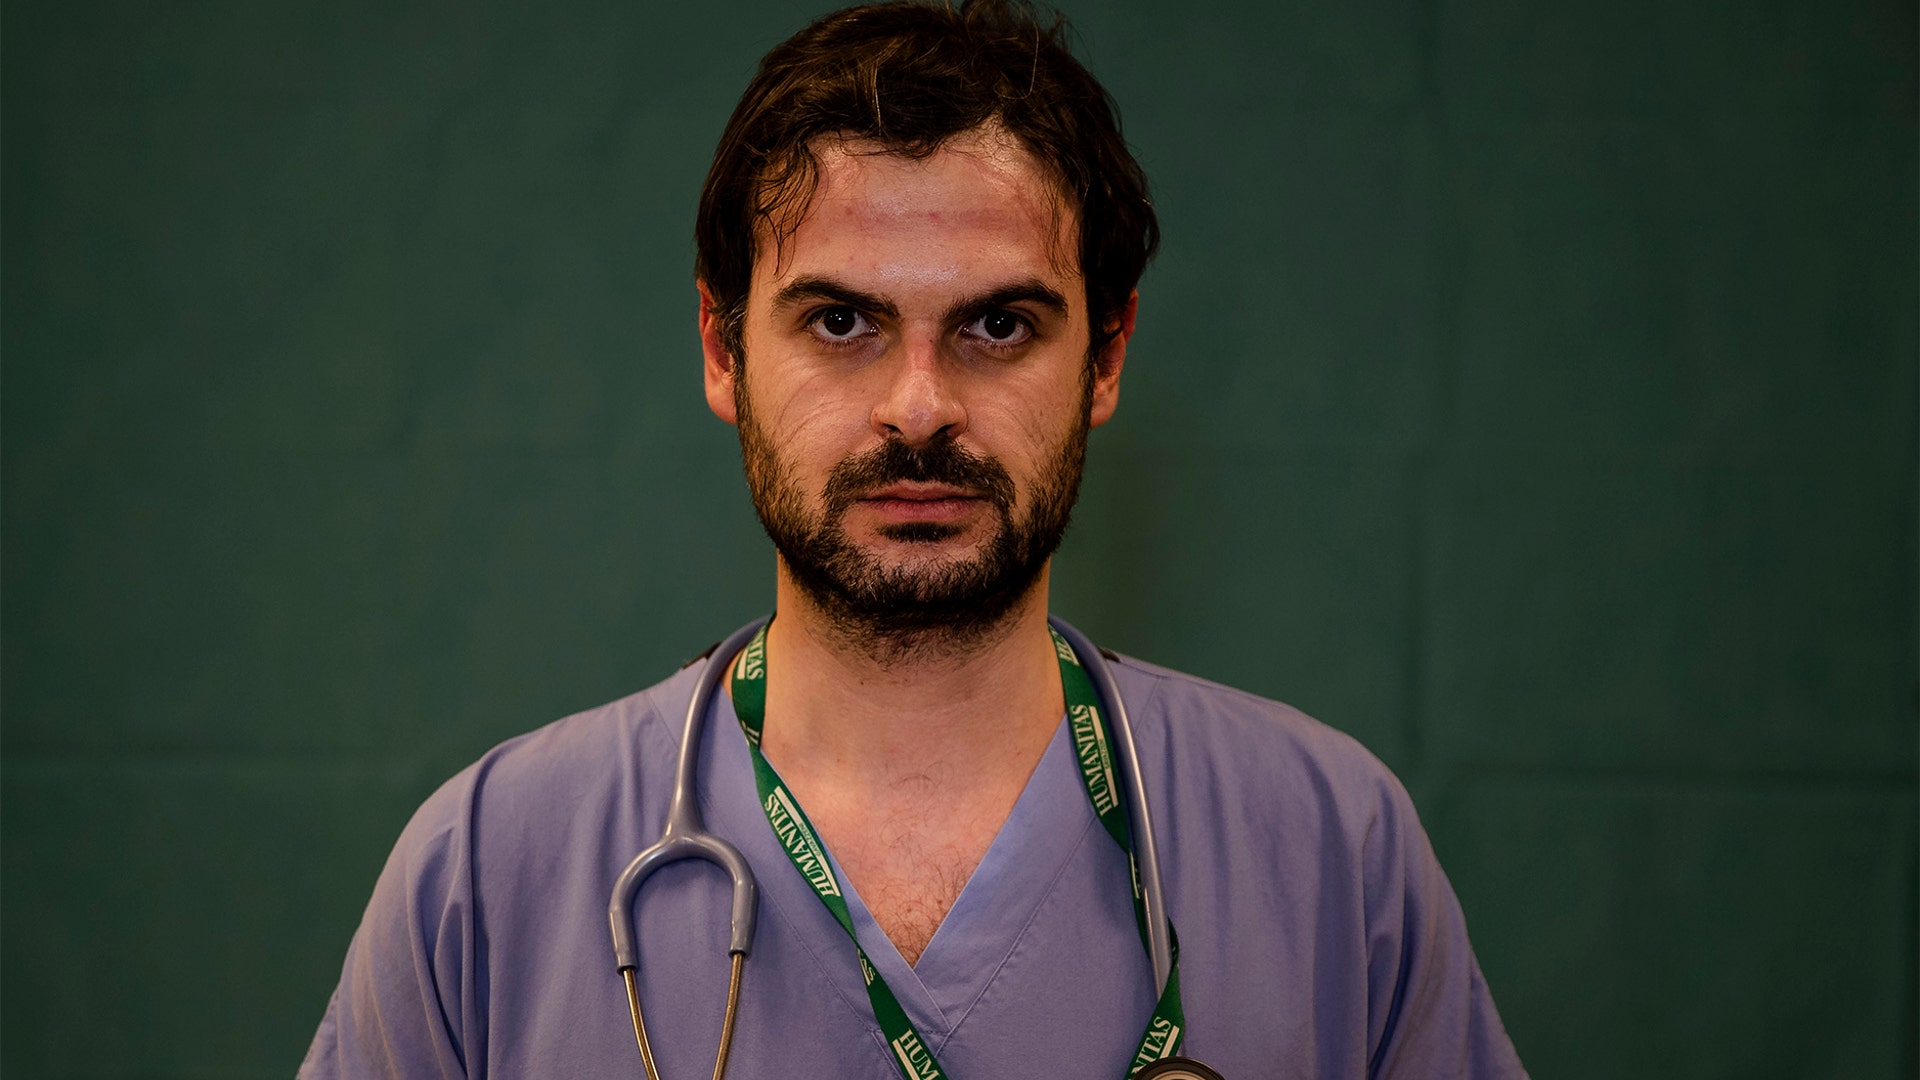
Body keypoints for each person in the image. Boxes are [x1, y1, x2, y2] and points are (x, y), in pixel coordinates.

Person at [299, 2, 1527, 1077]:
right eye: (841, 322)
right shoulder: (489, 872)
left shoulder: (1328, 848)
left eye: (999, 325)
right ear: (724, 351)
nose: (922, 404)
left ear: (1106, 358)